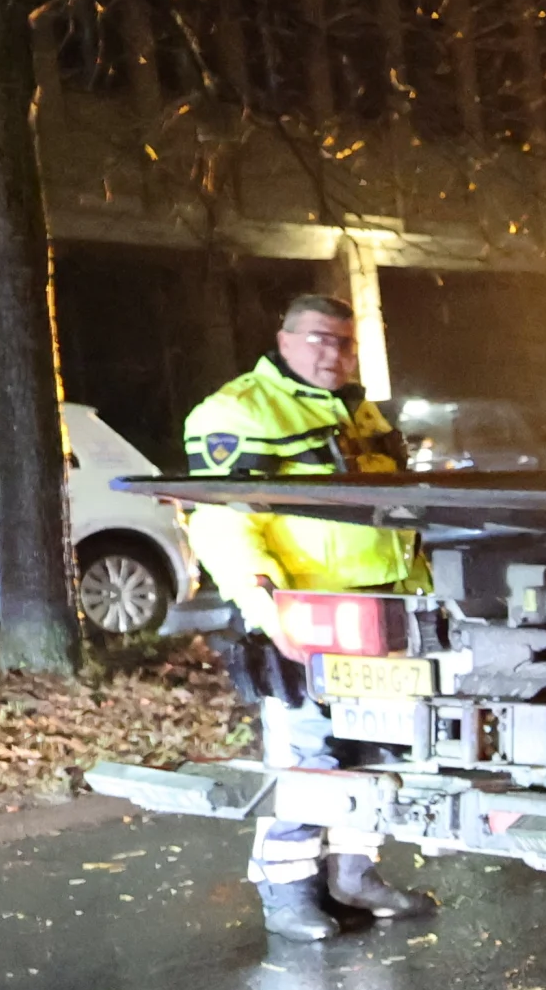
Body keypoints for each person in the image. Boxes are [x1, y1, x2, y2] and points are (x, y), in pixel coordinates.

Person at [181, 291, 436, 940]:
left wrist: (423, 599)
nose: (336, 353)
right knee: (307, 756)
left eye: (346, 342)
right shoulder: (235, 412)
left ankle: (355, 871)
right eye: (321, 339)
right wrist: (271, 613)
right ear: (284, 339)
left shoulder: (357, 408)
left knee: (376, 749)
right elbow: (221, 524)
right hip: (308, 618)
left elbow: (393, 514)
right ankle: (287, 888)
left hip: (382, 610)